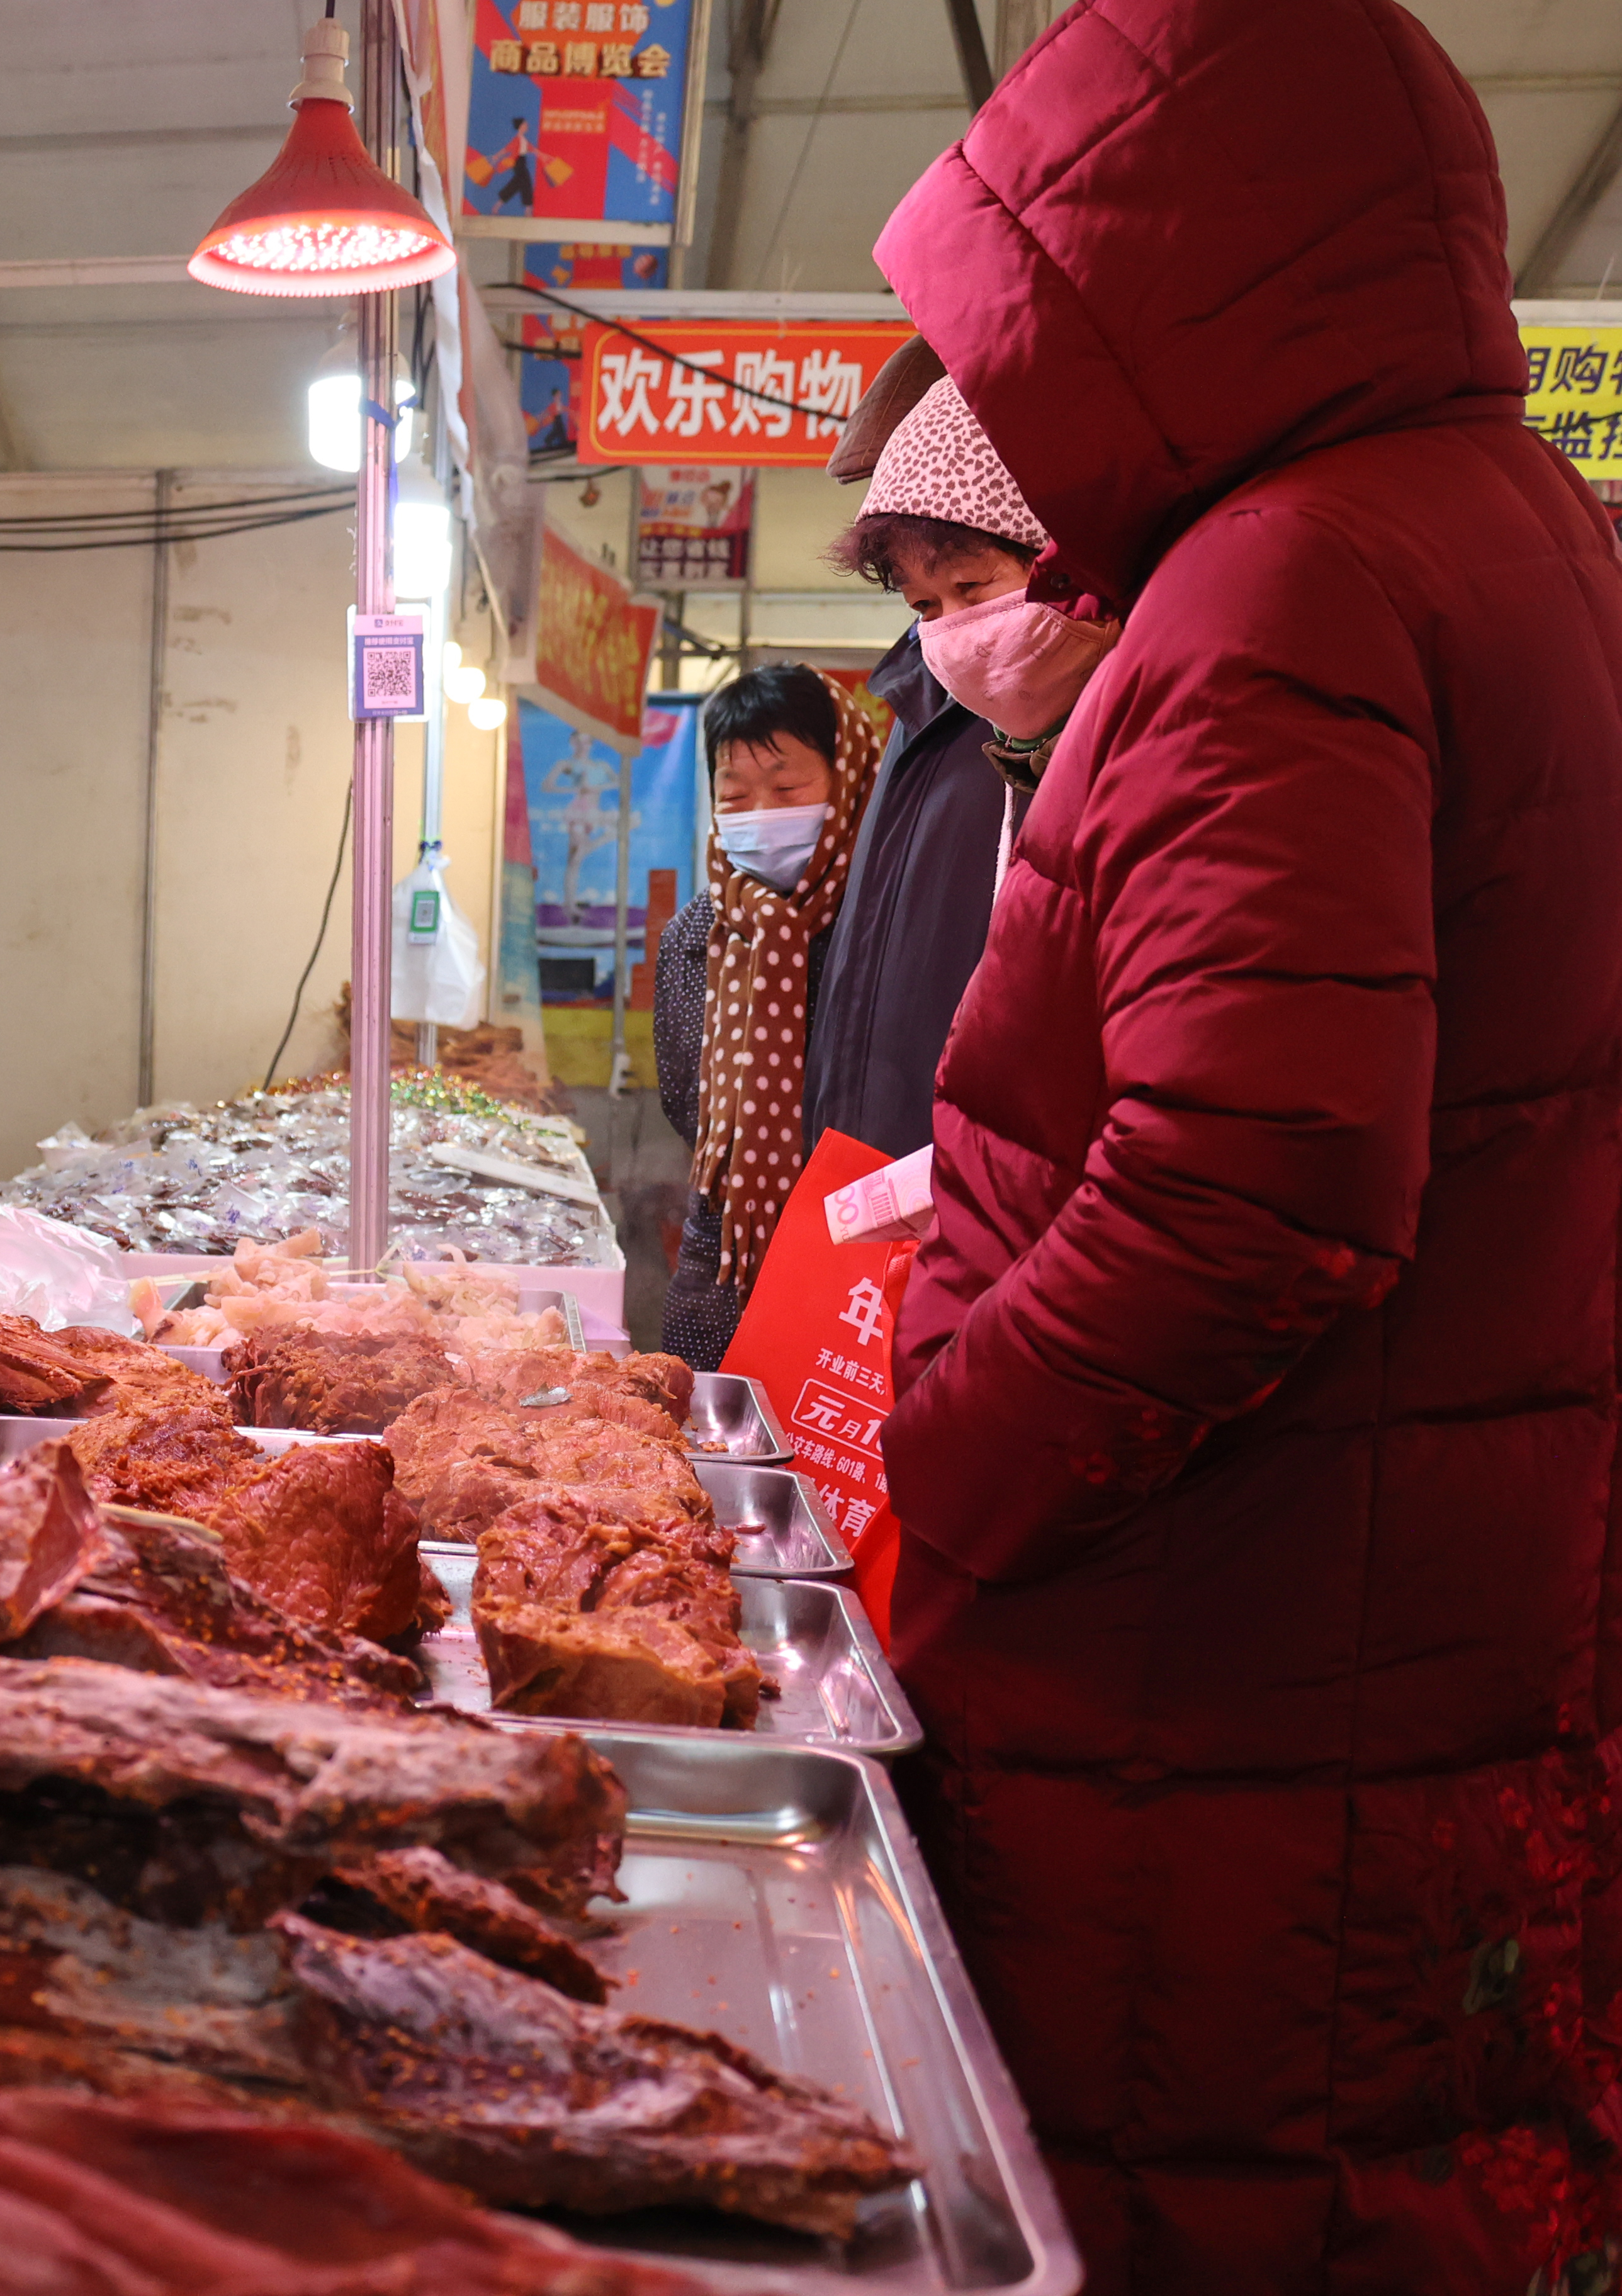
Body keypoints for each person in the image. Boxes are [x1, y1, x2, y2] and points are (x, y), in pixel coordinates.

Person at [869, 1, 1622, 2287]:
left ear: (1151, 283)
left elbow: (1251, 1182)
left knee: (1215, 2206)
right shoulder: (1530, 537)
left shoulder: (1282, 582)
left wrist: (958, 1465)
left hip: (1221, 1676)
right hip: (1424, 1630)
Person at [796, 368, 1035, 1159]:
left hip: (967, 1186)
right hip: (877, 1172)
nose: (954, 628)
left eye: (974, 584)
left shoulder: (1057, 718)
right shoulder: (921, 694)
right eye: (926, 604)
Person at [651, 665, 881, 1368]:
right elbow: (682, 1099)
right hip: (719, 1272)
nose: (759, 814)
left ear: (850, 781)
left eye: (787, 790)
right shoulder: (696, 936)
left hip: (862, 1264)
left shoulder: (882, 925)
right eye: (734, 794)